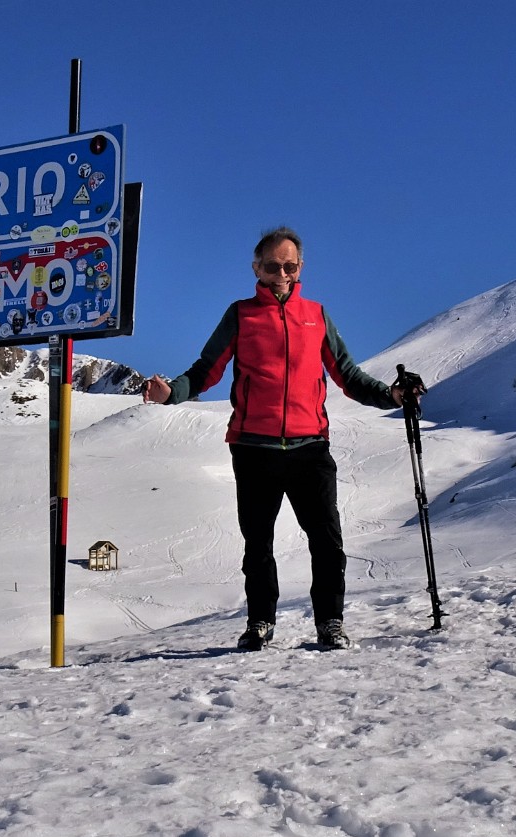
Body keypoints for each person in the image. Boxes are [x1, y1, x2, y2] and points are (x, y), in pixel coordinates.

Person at [142, 227, 423, 651]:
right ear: (256, 268)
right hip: (254, 447)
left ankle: (330, 621)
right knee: (258, 544)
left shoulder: (317, 315)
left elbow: (347, 374)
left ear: (300, 268)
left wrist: (391, 396)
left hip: (310, 446)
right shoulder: (241, 315)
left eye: (289, 266)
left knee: (327, 541)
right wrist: (172, 393)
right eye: (272, 266)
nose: (281, 274)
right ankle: (260, 623)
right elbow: (207, 369)